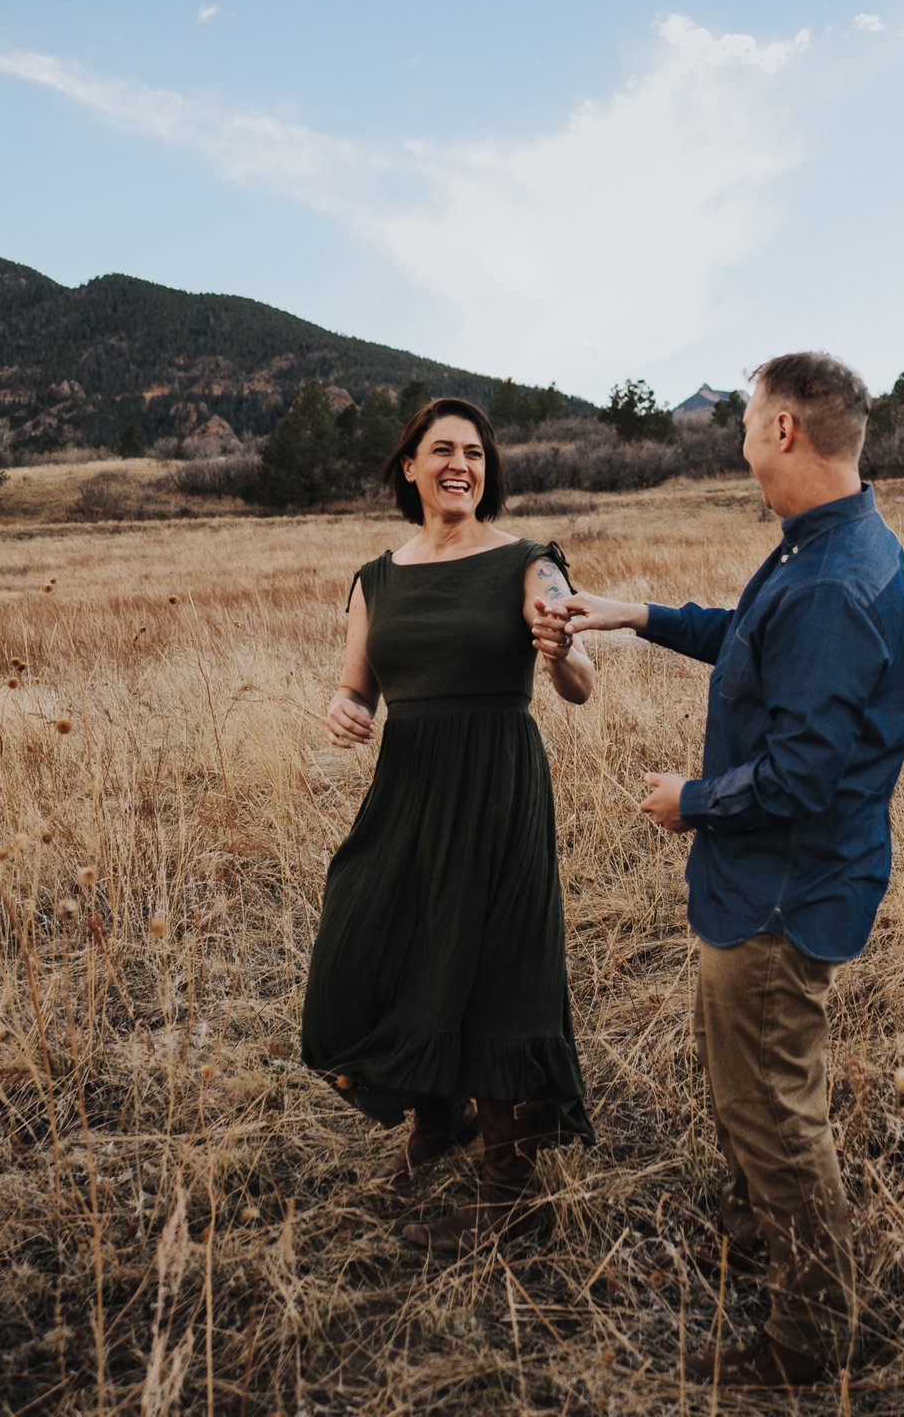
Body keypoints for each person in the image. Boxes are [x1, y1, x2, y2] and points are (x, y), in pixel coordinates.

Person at [548, 350, 904, 1388]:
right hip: (770, 878)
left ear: (785, 430)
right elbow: (758, 643)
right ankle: (756, 1239)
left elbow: (799, 775)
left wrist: (689, 803)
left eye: (747, 415)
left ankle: (809, 1338)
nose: (739, 431)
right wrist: (640, 614)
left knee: (771, 1112)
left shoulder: (836, 579)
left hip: (780, 892)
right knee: (749, 1088)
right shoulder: (816, 549)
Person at [300, 396, 598, 1252]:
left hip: (498, 780)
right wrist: (343, 708)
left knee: (498, 962)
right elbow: (358, 686)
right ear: (410, 466)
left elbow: (580, 680)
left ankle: (509, 1189)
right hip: (410, 779)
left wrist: (562, 648)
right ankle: (438, 1118)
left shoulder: (531, 563)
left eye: (474, 451)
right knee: (374, 940)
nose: (460, 463)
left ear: (487, 469)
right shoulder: (377, 578)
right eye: (442, 450)